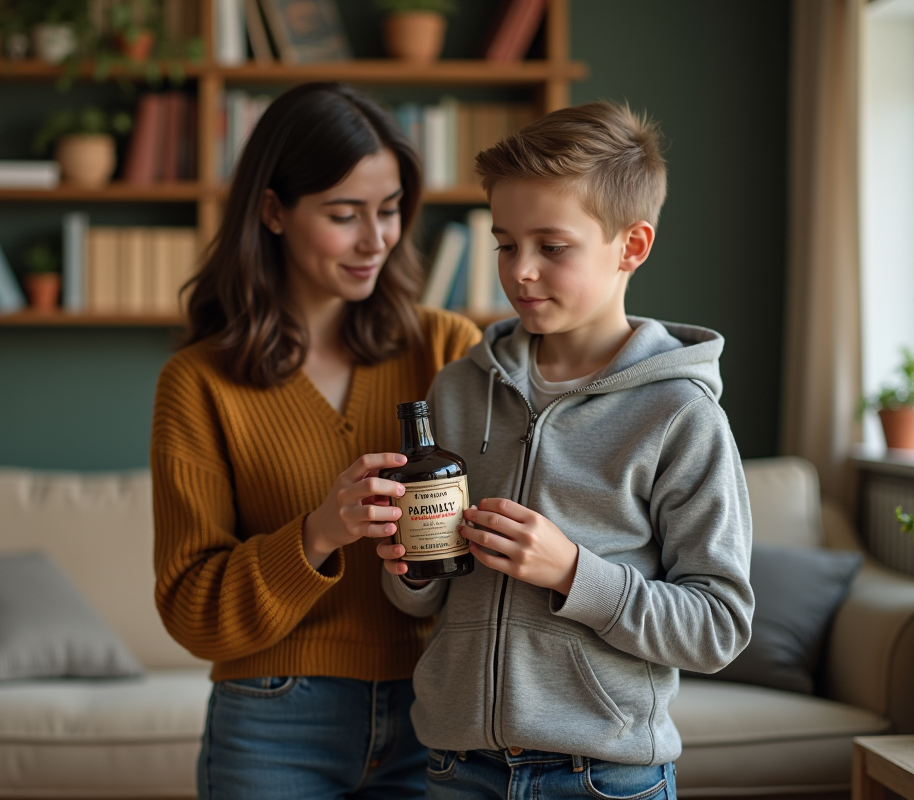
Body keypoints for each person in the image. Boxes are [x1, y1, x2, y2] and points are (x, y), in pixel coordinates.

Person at [379, 101, 755, 800]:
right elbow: (417, 602)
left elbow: (719, 626)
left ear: (632, 246)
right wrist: (410, 567)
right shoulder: (459, 388)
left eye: (552, 247)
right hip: (457, 769)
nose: (520, 271)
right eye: (504, 243)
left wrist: (574, 573)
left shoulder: (680, 414)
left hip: (603, 776)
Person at [150, 82, 481, 799]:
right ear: (272, 211)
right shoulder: (197, 382)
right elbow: (188, 607)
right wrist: (319, 533)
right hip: (271, 720)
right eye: (343, 215)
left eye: (390, 211)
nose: (376, 240)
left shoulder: (449, 347)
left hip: (438, 713)